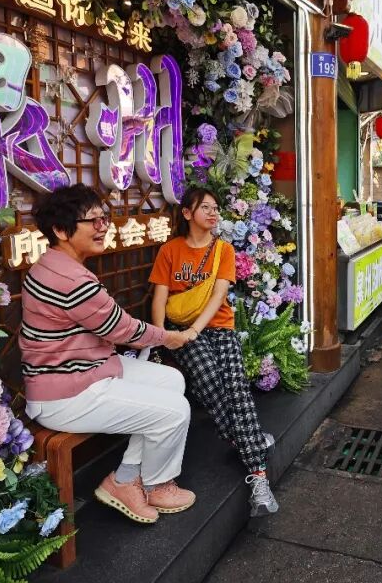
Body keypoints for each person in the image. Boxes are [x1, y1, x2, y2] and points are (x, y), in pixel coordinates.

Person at [21, 184, 195, 525]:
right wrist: (169, 337)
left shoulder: (55, 264)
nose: (103, 227)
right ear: (60, 231)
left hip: (85, 371)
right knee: (175, 411)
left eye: (105, 219)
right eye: (93, 221)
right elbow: (123, 330)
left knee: (171, 381)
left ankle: (125, 478)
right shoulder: (70, 279)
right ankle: (157, 484)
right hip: (65, 394)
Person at [149, 187, 279, 517]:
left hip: (218, 326)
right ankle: (251, 438)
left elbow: (219, 296)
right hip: (180, 332)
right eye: (205, 207)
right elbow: (160, 298)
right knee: (209, 382)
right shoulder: (170, 251)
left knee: (235, 386)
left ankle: (259, 479)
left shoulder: (223, 250)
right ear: (187, 213)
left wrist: (194, 331)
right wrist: (162, 336)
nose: (213, 212)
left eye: (215, 208)